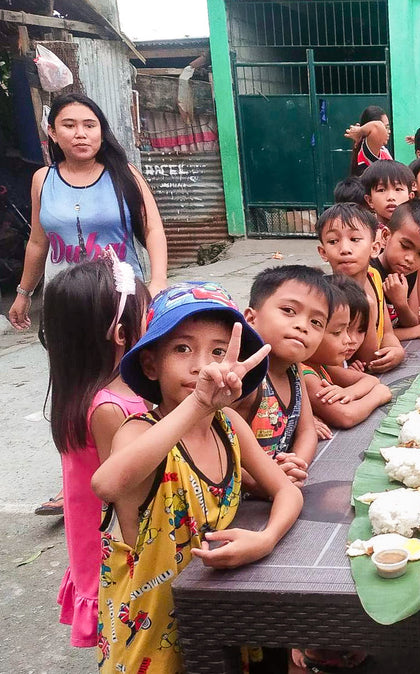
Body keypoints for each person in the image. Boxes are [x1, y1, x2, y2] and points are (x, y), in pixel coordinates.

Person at [92, 282, 302, 674]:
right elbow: (107, 484)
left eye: (219, 351)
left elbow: (287, 490)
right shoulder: (139, 432)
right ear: (151, 364)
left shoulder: (229, 425)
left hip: (219, 621)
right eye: (182, 349)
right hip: (151, 638)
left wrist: (265, 539)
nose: (203, 366)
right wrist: (198, 403)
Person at [8, 92, 168, 516]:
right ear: (53, 133)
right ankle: (77, 480)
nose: (80, 133)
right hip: (68, 308)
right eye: (69, 125)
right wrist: (25, 293)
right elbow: (39, 240)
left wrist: (156, 282)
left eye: (89, 124)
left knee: (132, 383)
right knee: (73, 393)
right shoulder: (44, 179)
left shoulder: (124, 175)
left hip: (120, 302)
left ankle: (143, 465)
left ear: (102, 130)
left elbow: (152, 231)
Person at [42, 252, 149, 648]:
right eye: (147, 312)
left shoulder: (89, 389)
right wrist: (144, 569)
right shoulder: (110, 408)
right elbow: (126, 496)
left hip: (96, 540)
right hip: (117, 548)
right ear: (121, 334)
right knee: (128, 640)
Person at [237, 266, 334, 490]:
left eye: (316, 322)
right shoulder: (245, 378)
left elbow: (307, 431)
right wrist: (266, 481)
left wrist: (296, 466)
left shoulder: (295, 370)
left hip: (281, 484)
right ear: (251, 318)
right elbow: (217, 452)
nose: (302, 326)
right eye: (289, 310)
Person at [316, 203, 405, 373]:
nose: (345, 249)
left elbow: (387, 332)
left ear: (375, 248)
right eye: (333, 241)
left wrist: (396, 350)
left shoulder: (374, 276)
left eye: (355, 239)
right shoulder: (330, 297)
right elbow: (370, 360)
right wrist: (369, 309)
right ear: (323, 252)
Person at [301, 275, 392, 430]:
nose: (348, 339)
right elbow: (345, 416)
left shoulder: (322, 364)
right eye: (338, 332)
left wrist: (350, 392)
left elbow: (371, 380)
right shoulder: (305, 373)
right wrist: (378, 396)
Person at [370, 200, 420, 340]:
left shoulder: (409, 271)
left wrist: (401, 303)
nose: (411, 259)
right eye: (405, 246)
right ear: (385, 236)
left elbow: (411, 321)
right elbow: (368, 336)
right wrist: (416, 332)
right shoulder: (368, 272)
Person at [360, 160, 415, 230]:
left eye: (398, 189)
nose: (391, 197)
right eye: (381, 190)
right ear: (370, 200)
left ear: (410, 197)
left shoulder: (419, 231)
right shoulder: (364, 232)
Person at [346, 105, 392, 178]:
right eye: (385, 127)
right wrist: (360, 131)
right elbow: (377, 126)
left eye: (388, 127)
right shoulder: (369, 148)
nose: (389, 131)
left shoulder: (382, 150)